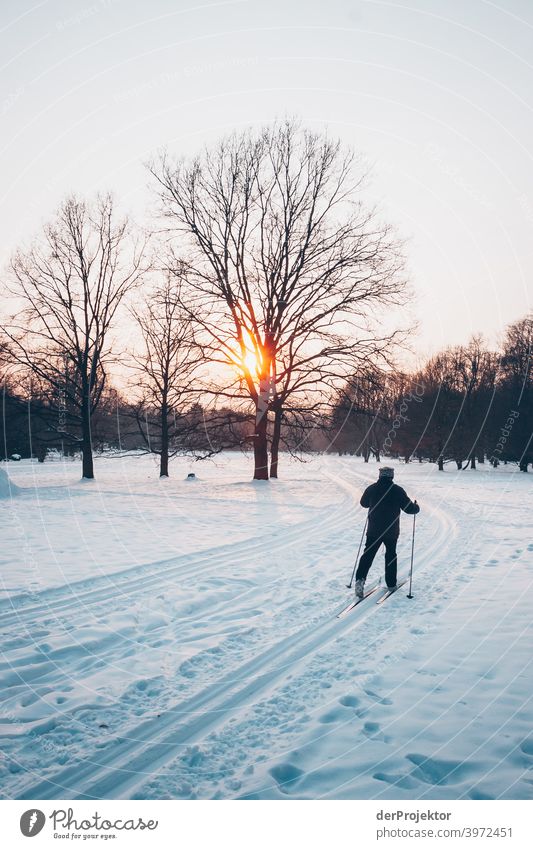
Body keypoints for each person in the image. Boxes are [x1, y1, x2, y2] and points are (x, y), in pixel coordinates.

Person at [355, 466, 419, 598]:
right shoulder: (397, 490)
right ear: (391, 476)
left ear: (380, 476)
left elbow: (364, 503)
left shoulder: (371, 488)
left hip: (373, 530)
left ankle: (360, 580)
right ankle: (391, 584)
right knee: (390, 555)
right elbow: (409, 509)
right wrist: (416, 507)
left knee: (368, 555)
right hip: (391, 531)